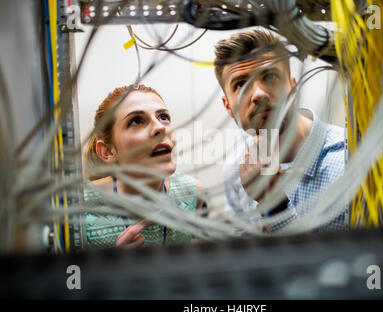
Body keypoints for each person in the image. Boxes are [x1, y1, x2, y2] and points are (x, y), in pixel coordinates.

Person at [214, 29, 347, 233]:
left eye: (270, 77)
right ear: (228, 107)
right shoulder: (235, 167)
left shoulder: (348, 160)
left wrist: (273, 202)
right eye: (241, 84)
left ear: (293, 90)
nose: (258, 94)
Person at [83, 85, 206, 249]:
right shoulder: (78, 208)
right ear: (106, 151)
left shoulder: (192, 194)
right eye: (136, 121)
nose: (160, 127)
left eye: (163, 117)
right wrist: (112, 267)